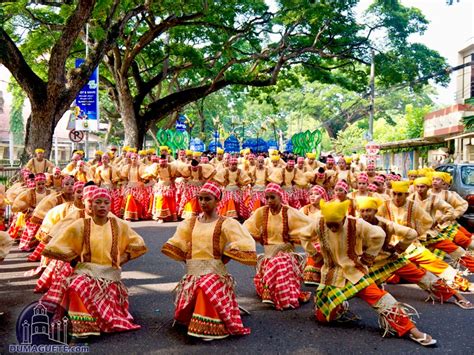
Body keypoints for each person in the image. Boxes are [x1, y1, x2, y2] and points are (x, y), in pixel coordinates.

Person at [299, 199, 436, 346]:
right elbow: (303, 235)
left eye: (335, 224)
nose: (332, 227)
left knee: (382, 298)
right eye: (329, 224)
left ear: (344, 218)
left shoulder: (356, 223)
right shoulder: (319, 223)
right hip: (331, 275)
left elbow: (379, 235)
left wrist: (368, 257)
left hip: (354, 273)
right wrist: (315, 255)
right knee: (322, 318)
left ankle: (413, 331)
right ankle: (340, 307)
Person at [41, 188, 148, 338]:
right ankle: (82, 326)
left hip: (109, 277)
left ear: (110, 205)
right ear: (91, 205)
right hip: (86, 272)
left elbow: (138, 244)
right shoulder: (80, 225)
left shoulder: (119, 225)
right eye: (98, 202)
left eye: (106, 203)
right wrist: (74, 260)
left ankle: (101, 320)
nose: (102, 206)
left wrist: (122, 259)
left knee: (106, 314)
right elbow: (57, 245)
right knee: (75, 286)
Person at [161, 181, 256, 340]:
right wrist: (187, 259)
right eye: (201, 199)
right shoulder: (189, 223)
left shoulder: (226, 223)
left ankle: (208, 325)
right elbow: (178, 242)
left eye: (208, 199)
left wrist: (227, 255)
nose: (203, 203)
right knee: (199, 286)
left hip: (215, 274)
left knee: (205, 286)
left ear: (218, 201)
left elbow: (244, 241)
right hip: (193, 274)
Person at [358, 196, 473, 310]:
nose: (365, 214)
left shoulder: (386, 223)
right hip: (368, 265)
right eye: (362, 211)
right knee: (351, 288)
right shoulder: (356, 225)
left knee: (424, 276)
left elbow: (412, 232)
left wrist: (399, 248)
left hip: (391, 258)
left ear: (375, 211)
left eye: (368, 210)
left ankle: (458, 296)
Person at [377, 181, 470, 291]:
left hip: (423, 238)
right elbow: (376, 220)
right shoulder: (385, 205)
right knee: (381, 270)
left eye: (400, 194)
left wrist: (442, 219)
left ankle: (457, 283)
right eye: (394, 194)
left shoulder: (416, 204)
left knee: (455, 252)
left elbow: (429, 221)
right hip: (392, 246)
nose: (396, 197)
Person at [244, 183, 313, 310]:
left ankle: (272, 293)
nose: (269, 201)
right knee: (272, 262)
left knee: (278, 263)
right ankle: (271, 292)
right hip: (268, 257)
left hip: (286, 257)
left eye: (272, 197)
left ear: (280, 197)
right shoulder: (261, 212)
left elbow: (309, 226)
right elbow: (247, 228)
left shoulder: (289, 212)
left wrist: (294, 237)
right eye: (267, 198)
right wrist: (258, 236)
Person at [300, 185, 329, 286]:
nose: (313, 196)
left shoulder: (326, 209)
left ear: (322, 197)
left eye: (317, 194)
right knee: (309, 278)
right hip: (308, 243)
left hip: (324, 242)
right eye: (311, 194)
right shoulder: (304, 210)